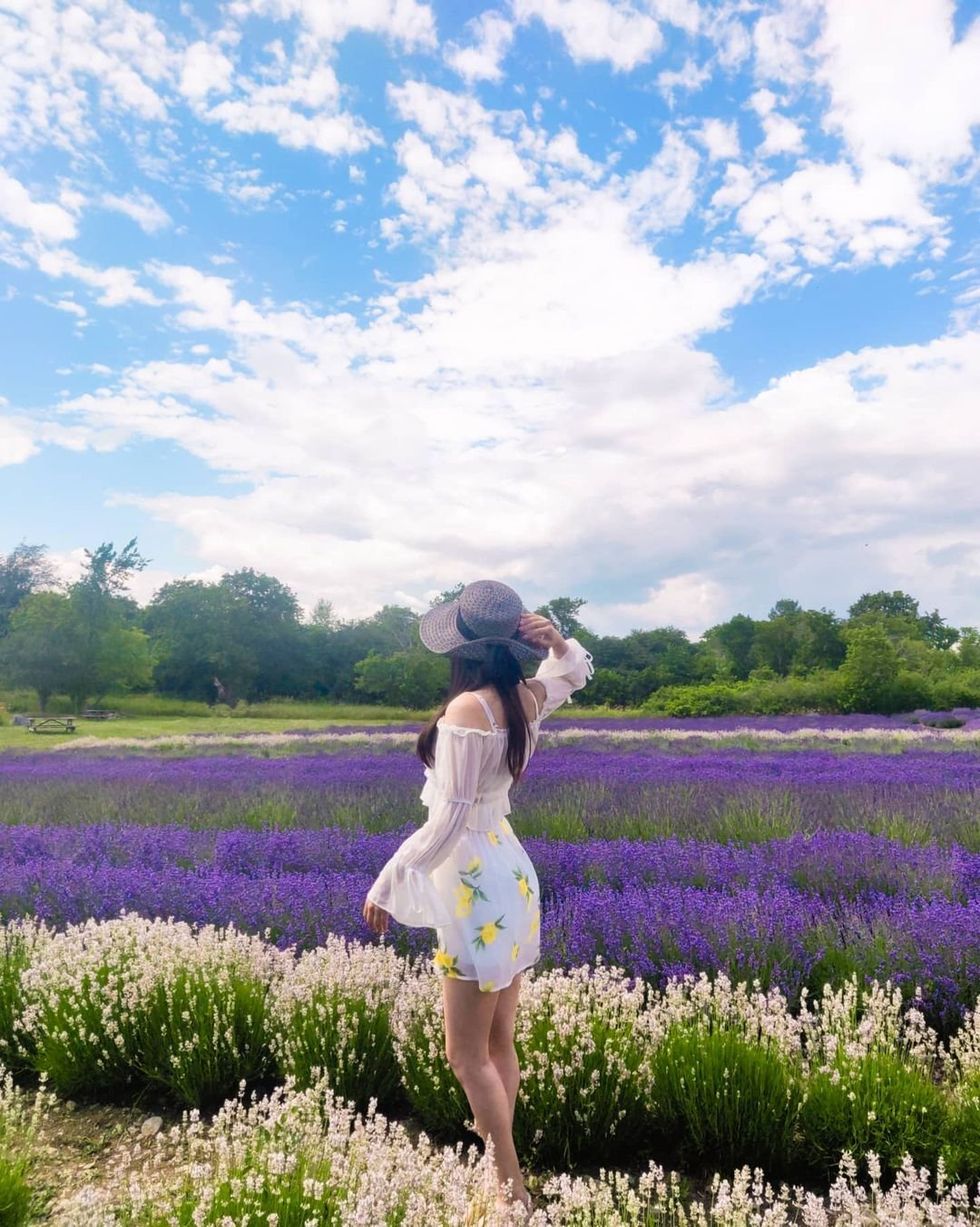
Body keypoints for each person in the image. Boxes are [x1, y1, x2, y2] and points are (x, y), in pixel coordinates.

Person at [362, 580, 594, 1215]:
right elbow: (573, 673)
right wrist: (559, 641)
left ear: (461, 647)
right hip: (510, 877)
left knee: (465, 1055)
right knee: (498, 1043)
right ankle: (503, 1170)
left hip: (473, 886)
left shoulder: (468, 709)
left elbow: (450, 818)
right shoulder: (523, 699)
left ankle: (509, 1189)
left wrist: (389, 879)